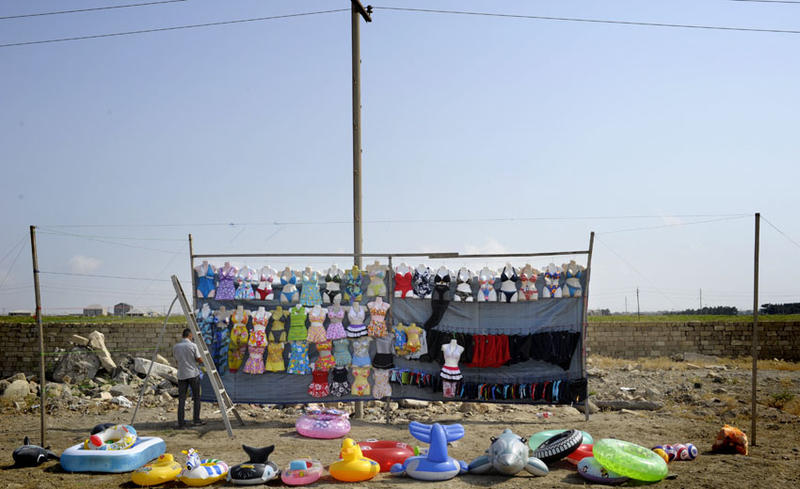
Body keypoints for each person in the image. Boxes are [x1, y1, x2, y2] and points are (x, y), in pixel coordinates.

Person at [173, 328, 206, 428]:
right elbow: (199, 359)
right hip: (193, 374)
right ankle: (196, 420)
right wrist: (204, 361)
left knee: (182, 399)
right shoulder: (193, 345)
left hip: (181, 375)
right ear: (190, 335)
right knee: (196, 397)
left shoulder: (176, 347)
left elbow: (176, 360)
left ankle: (181, 422)